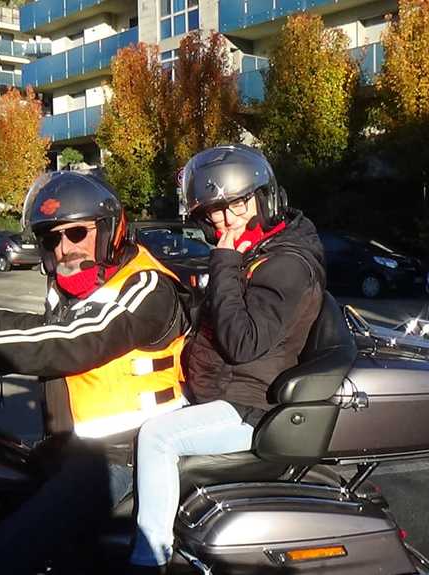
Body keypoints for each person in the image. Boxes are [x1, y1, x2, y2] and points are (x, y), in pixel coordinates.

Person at [0, 172, 193, 574]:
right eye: (50, 238)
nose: (63, 248)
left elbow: (72, 341)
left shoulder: (145, 285)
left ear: (109, 230)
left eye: (76, 233)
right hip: (71, 448)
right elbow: (39, 330)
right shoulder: (80, 288)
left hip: (122, 458)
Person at [128, 145, 327, 572]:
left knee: (157, 437)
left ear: (265, 199)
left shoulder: (285, 264)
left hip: (250, 407)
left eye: (237, 204)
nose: (225, 220)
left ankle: (151, 559)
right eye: (213, 212)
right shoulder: (259, 252)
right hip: (224, 390)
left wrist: (224, 262)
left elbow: (242, 343)